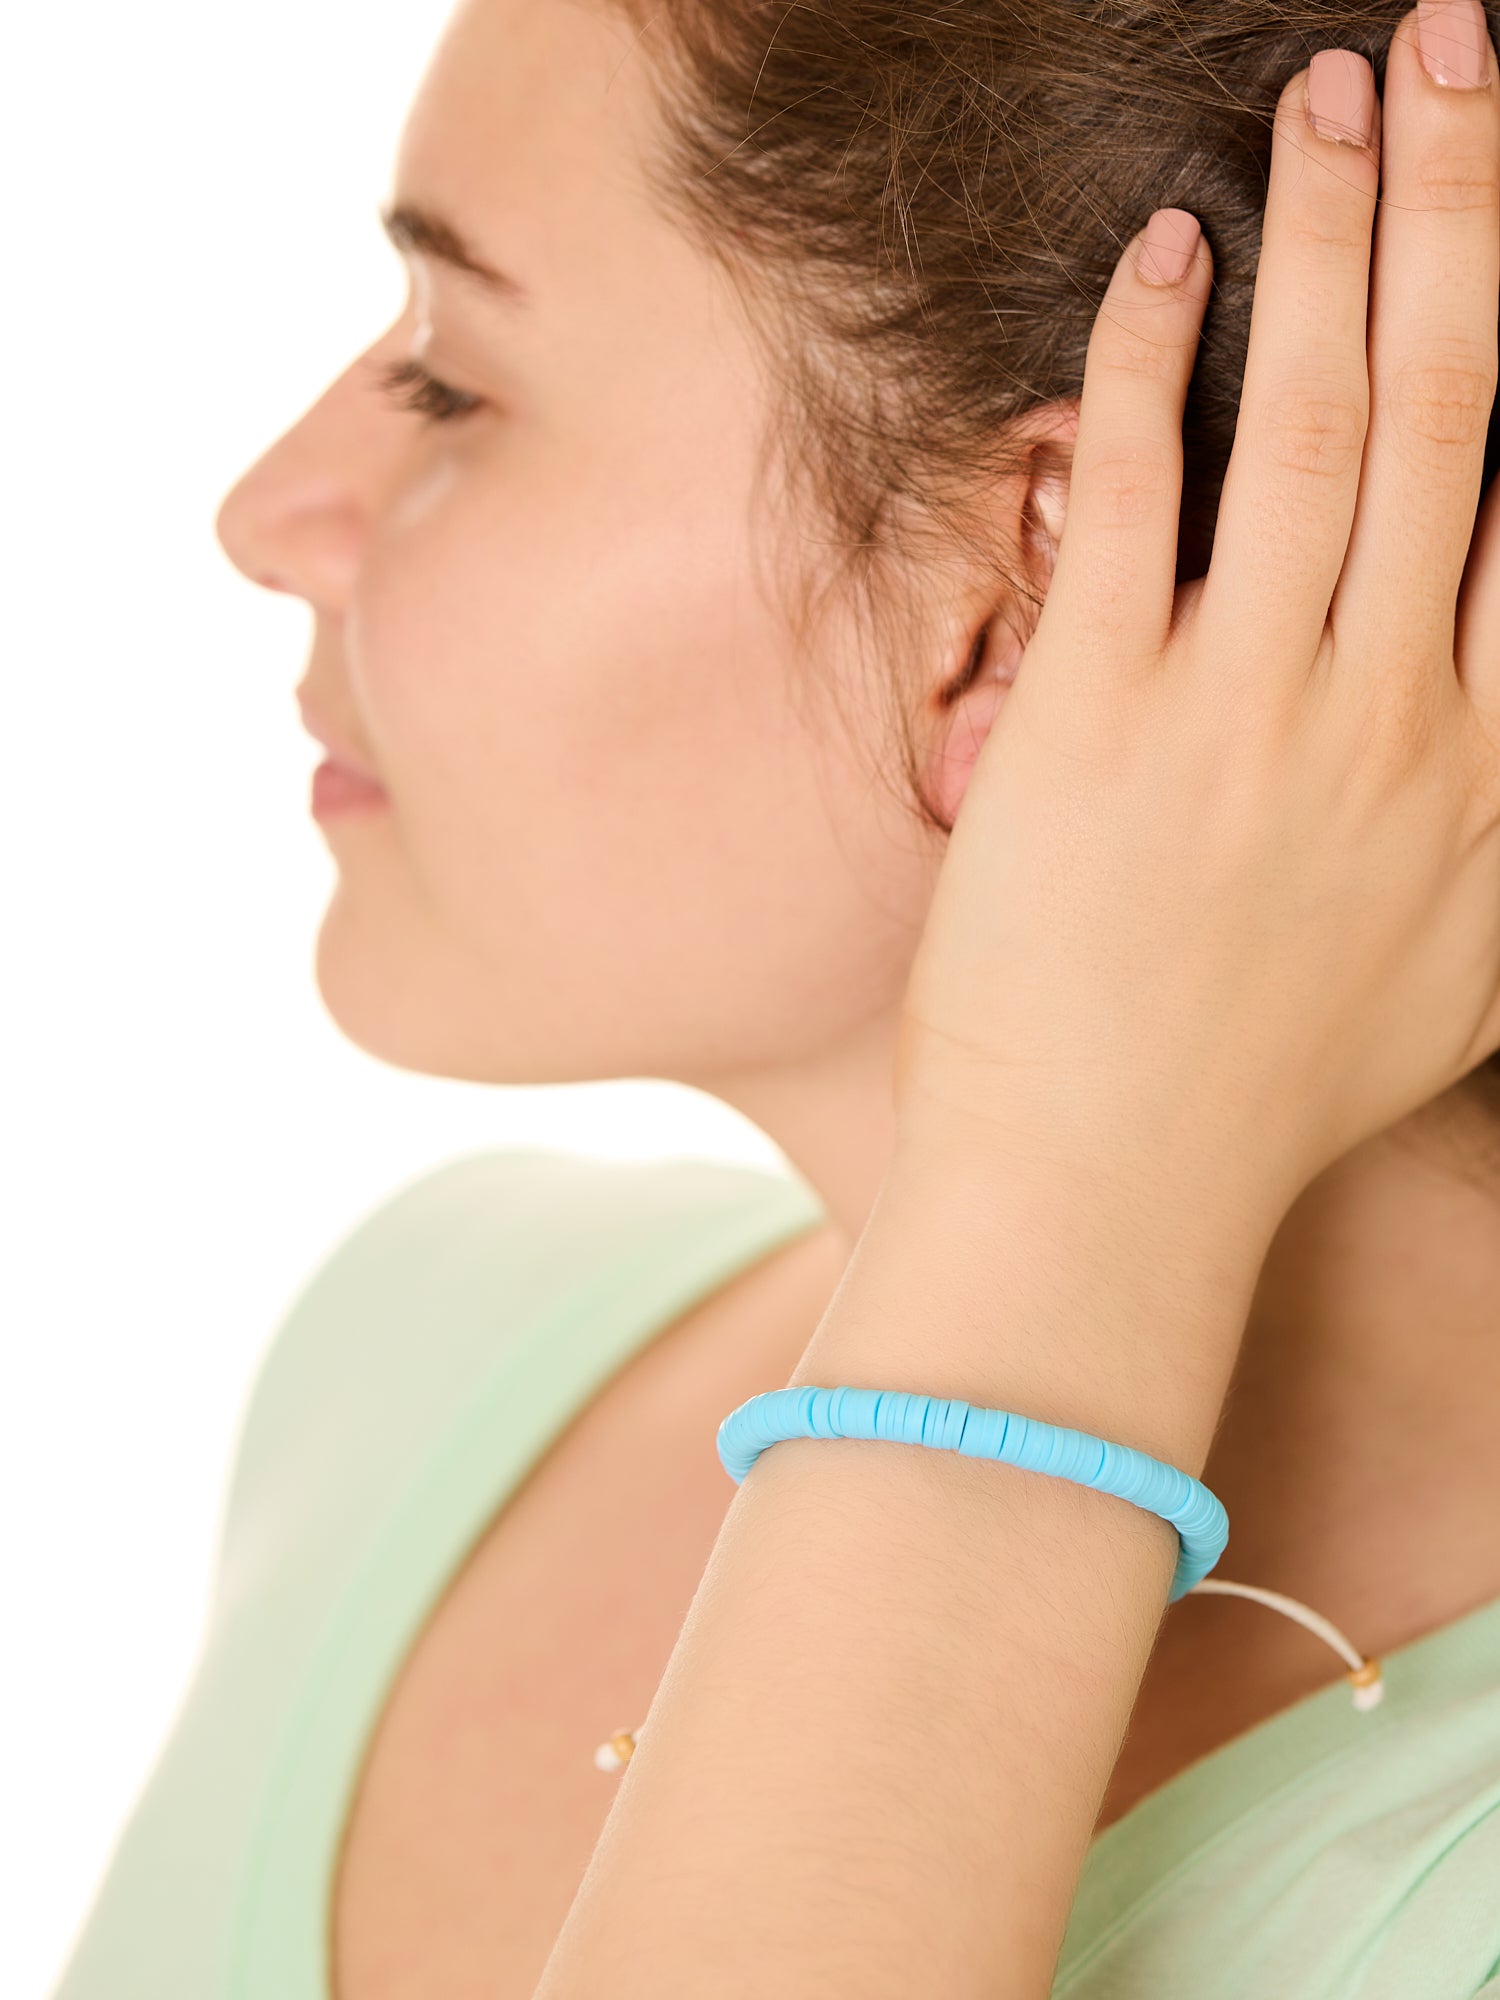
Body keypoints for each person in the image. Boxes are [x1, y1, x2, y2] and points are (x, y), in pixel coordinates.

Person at [50, 0, 1500, 1993]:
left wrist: (1076, 1199)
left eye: (453, 382)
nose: (266, 511)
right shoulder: (436, 1336)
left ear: (1039, 585)